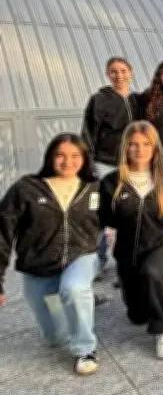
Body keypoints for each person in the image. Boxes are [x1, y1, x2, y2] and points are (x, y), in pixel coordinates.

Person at [0, 134, 101, 375]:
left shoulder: (93, 187)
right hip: (39, 265)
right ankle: (80, 303)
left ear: (84, 159)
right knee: (55, 338)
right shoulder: (26, 188)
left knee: (74, 289)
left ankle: (85, 349)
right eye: (61, 155)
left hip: (81, 255)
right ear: (50, 157)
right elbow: (2, 232)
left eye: (75, 156)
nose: (68, 162)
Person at [98, 121, 163, 359]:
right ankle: (140, 304)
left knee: (153, 272)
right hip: (127, 251)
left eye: (146, 144)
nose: (139, 149)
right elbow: (99, 219)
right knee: (137, 315)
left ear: (155, 148)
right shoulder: (111, 182)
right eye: (133, 144)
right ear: (125, 147)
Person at [81, 57, 137, 275]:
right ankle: (98, 260)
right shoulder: (99, 100)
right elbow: (88, 133)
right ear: (108, 75)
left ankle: (130, 258)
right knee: (101, 212)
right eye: (113, 71)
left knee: (130, 211)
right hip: (106, 163)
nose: (119, 75)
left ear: (131, 72)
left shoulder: (137, 100)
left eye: (123, 70)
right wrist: (89, 165)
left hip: (133, 165)